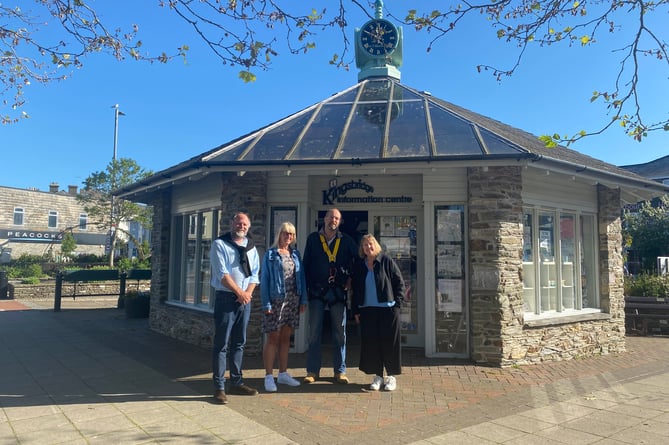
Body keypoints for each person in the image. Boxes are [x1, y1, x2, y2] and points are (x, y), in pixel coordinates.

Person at [302, 208, 358, 384]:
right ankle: (312, 371)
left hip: (337, 292)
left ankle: (340, 371)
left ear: (340, 222)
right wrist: (304, 292)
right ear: (325, 219)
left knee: (339, 333)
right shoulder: (313, 239)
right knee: (314, 333)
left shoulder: (347, 241)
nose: (333, 220)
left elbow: (358, 261)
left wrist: (351, 280)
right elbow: (305, 266)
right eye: (330, 217)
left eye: (336, 218)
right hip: (317, 291)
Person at [210, 212, 260, 404]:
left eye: (245, 223)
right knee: (222, 343)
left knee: (239, 342)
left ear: (249, 226)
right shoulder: (219, 244)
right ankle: (219, 387)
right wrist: (240, 292)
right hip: (226, 299)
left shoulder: (251, 247)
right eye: (239, 222)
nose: (242, 226)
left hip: (244, 301)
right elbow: (222, 274)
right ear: (232, 223)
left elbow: (255, 274)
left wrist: (246, 293)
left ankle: (237, 383)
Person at [351, 234, 405, 391]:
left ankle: (391, 377)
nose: (368, 247)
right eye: (365, 245)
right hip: (368, 310)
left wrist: (397, 304)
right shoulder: (360, 265)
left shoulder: (386, 261)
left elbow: (399, 282)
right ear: (362, 249)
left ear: (376, 245)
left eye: (371, 244)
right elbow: (356, 289)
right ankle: (378, 376)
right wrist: (356, 309)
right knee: (372, 344)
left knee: (390, 343)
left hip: (388, 310)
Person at [260, 222, 307, 392]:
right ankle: (268, 376)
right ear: (279, 234)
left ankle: (283, 374)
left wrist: (303, 301)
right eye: (285, 233)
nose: (288, 237)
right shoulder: (270, 255)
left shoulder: (295, 254)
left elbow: (301, 278)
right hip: (276, 301)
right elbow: (264, 280)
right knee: (273, 338)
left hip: (292, 301)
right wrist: (266, 303)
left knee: (286, 338)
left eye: (291, 234)